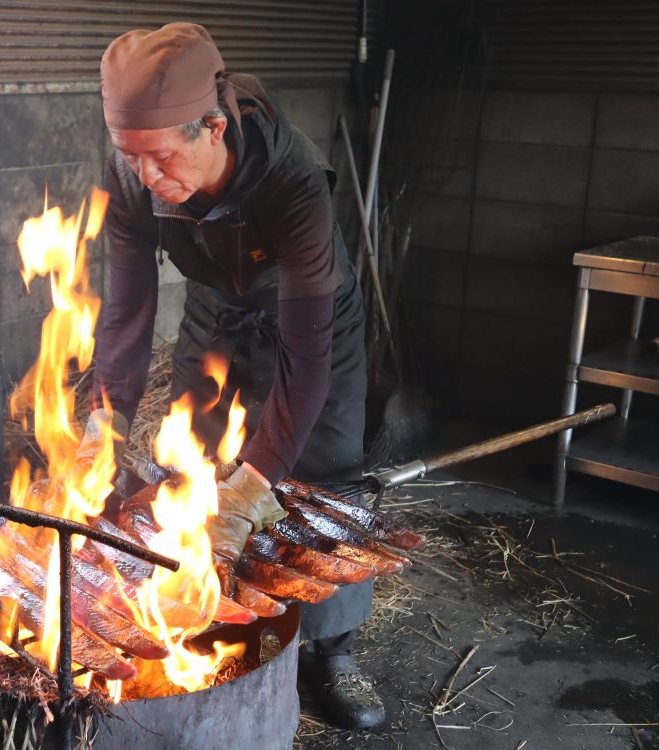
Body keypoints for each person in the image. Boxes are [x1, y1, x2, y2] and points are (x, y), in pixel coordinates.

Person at [82, 22, 383, 730]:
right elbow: (126, 311)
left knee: (314, 474)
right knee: (196, 463)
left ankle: (332, 650)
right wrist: (106, 420)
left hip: (311, 321)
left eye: (159, 158)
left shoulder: (292, 182)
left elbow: (304, 362)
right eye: (131, 159)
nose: (146, 179)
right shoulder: (132, 169)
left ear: (213, 127)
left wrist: (255, 486)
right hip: (219, 309)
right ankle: (205, 610)